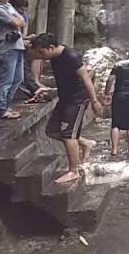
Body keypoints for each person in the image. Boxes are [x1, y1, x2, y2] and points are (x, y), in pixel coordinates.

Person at [27, 33, 100, 185]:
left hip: (77, 100)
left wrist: (94, 101)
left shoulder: (71, 57)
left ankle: (74, 171)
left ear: (51, 47)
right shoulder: (53, 55)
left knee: (68, 135)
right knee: (52, 131)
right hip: (65, 98)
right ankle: (86, 143)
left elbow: (86, 78)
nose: (42, 56)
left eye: (42, 52)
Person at [0, 0, 26, 120]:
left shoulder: (9, 6)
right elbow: (18, 23)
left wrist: (18, 21)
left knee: (18, 79)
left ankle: (6, 106)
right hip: (6, 47)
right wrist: (18, 21)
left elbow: (22, 20)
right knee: (6, 80)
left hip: (17, 45)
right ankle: (1, 109)